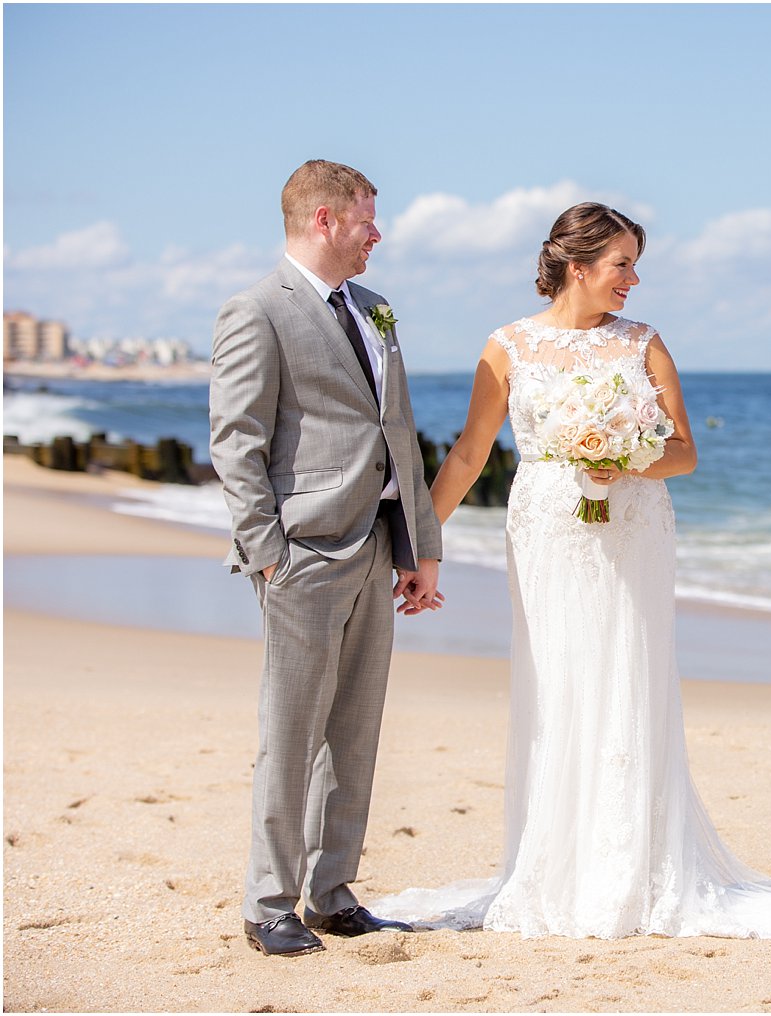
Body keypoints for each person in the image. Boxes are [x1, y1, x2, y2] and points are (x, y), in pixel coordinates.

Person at [374, 202, 771, 938]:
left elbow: (685, 451)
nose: (634, 279)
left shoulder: (644, 343)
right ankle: (558, 868)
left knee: (629, 680)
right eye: (622, 263)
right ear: (577, 266)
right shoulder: (507, 347)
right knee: (557, 686)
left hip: (633, 528)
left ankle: (635, 871)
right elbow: (469, 455)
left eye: (634, 263)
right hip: (548, 533)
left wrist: (625, 455)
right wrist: (420, 547)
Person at [209, 159, 444, 957]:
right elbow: (236, 442)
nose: (377, 234)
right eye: (367, 220)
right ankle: (267, 903)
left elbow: (399, 432)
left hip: (377, 546)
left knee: (355, 731)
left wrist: (419, 548)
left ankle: (332, 893)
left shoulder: (374, 310)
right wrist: (268, 553)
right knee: (292, 730)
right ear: (323, 221)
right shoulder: (255, 312)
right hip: (301, 553)